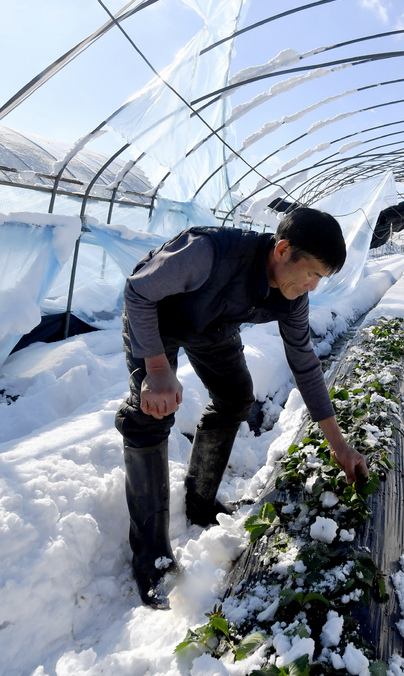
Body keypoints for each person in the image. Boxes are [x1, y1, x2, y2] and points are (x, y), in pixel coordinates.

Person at [115, 207, 368, 607]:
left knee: (236, 398)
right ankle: (153, 559)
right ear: (283, 250)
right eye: (313, 273)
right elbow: (139, 291)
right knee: (151, 413)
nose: (314, 287)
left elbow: (304, 362)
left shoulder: (292, 297)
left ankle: (200, 501)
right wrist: (158, 368)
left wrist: (338, 445)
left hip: (213, 325)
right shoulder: (208, 252)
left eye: (322, 278)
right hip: (156, 320)